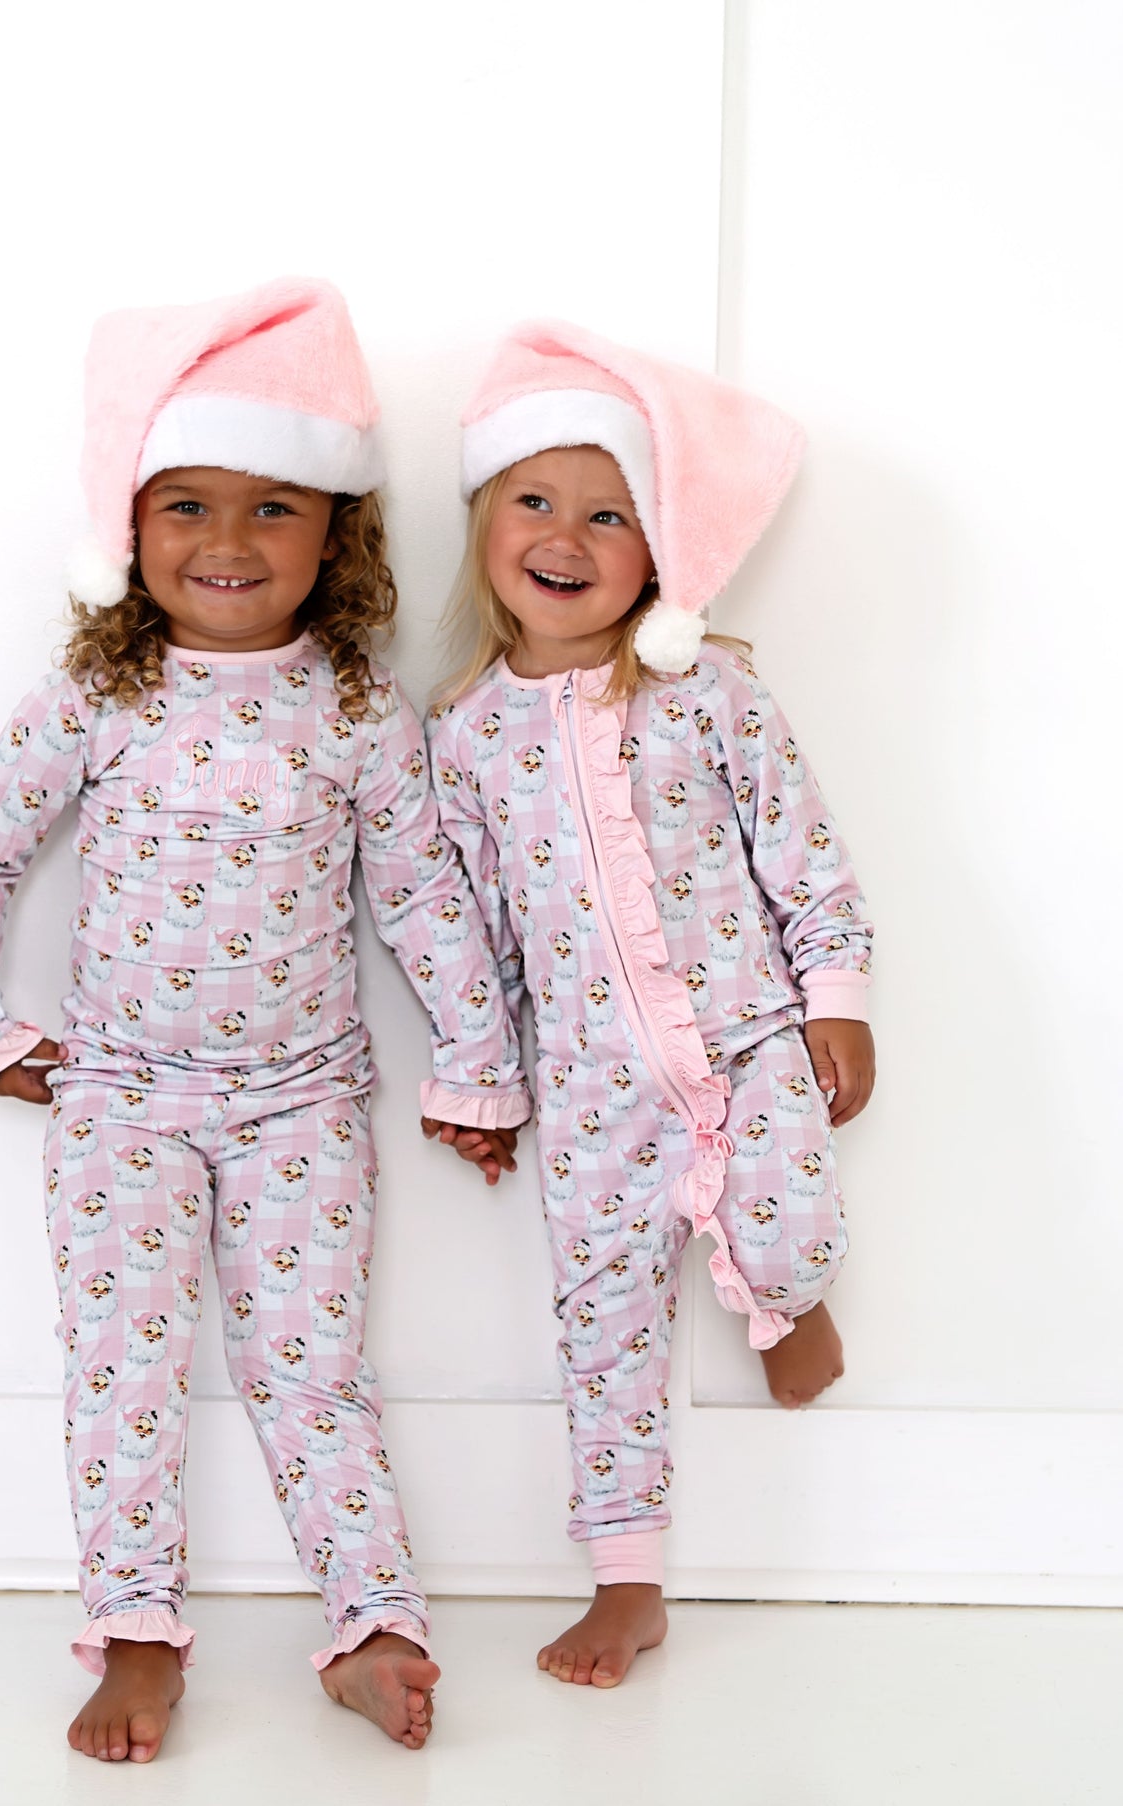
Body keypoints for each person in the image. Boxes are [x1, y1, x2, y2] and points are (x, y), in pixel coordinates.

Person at [0, 279, 529, 1761]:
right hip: (121, 1099)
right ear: (129, 530)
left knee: (311, 1367)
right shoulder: (96, 693)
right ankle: (135, 1634)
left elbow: (427, 902)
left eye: (272, 508)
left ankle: (371, 1618)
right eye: (185, 504)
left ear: (337, 532)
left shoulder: (354, 711)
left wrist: (477, 1066)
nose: (228, 542)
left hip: (303, 1101)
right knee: (123, 1367)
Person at [425, 319, 875, 1689]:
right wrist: (483, 1084)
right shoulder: (463, 735)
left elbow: (801, 845)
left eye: (609, 512)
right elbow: (469, 937)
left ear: (659, 546)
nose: (566, 534)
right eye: (535, 500)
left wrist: (836, 994)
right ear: (487, 520)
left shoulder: (707, 688)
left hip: (745, 1037)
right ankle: (627, 1581)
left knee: (790, 1205)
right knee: (600, 1323)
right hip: (590, 1088)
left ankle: (782, 1295)